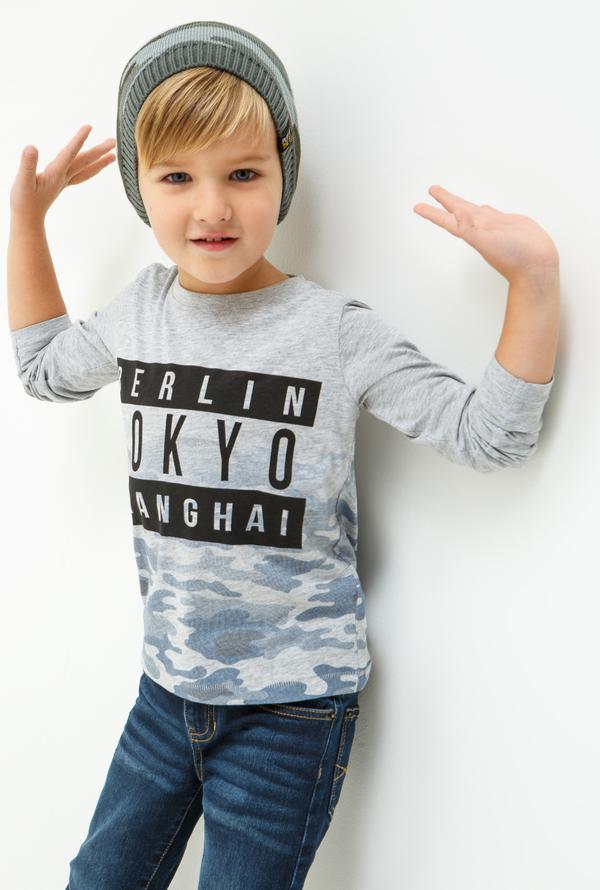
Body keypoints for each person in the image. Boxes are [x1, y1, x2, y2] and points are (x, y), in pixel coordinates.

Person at [7, 20, 559, 890]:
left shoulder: (332, 332)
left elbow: (490, 435)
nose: (212, 208)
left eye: (243, 174)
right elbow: (43, 370)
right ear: (138, 184)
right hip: (164, 692)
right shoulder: (141, 312)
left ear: (282, 172)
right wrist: (27, 220)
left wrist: (534, 281)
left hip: (290, 713)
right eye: (177, 177)